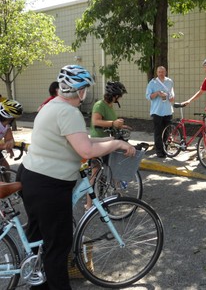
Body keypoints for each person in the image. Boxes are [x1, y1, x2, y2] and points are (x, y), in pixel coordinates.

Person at [17, 65, 135, 290]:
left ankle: (37, 282)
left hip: (31, 176)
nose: (86, 94)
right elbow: (87, 151)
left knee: (38, 238)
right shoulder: (68, 112)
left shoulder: (51, 104)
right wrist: (118, 143)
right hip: (49, 185)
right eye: (86, 89)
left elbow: (83, 141)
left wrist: (113, 146)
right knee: (58, 246)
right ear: (80, 91)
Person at [86, 81, 130, 209]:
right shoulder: (100, 105)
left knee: (111, 169)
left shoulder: (110, 106)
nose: (120, 98)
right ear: (115, 95)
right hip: (98, 142)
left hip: (108, 142)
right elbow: (96, 121)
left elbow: (111, 123)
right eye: (119, 95)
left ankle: (116, 196)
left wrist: (120, 125)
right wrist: (113, 123)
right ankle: (88, 205)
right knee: (95, 173)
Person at [145, 66, 175, 158]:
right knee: (158, 132)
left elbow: (172, 95)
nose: (161, 73)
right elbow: (148, 96)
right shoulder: (152, 83)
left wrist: (171, 97)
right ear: (157, 73)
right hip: (157, 111)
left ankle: (165, 149)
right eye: (159, 72)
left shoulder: (169, 81)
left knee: (167, 132)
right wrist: (157, 93)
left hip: (168, 111)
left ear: (165, 72)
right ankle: (159, 151)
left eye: (162, 72)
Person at [0, 99, 23, 172]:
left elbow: (9, 138)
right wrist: (4, 146)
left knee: (6, 169)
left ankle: (6, 182)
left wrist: (9, 147)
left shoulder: (6, 126)